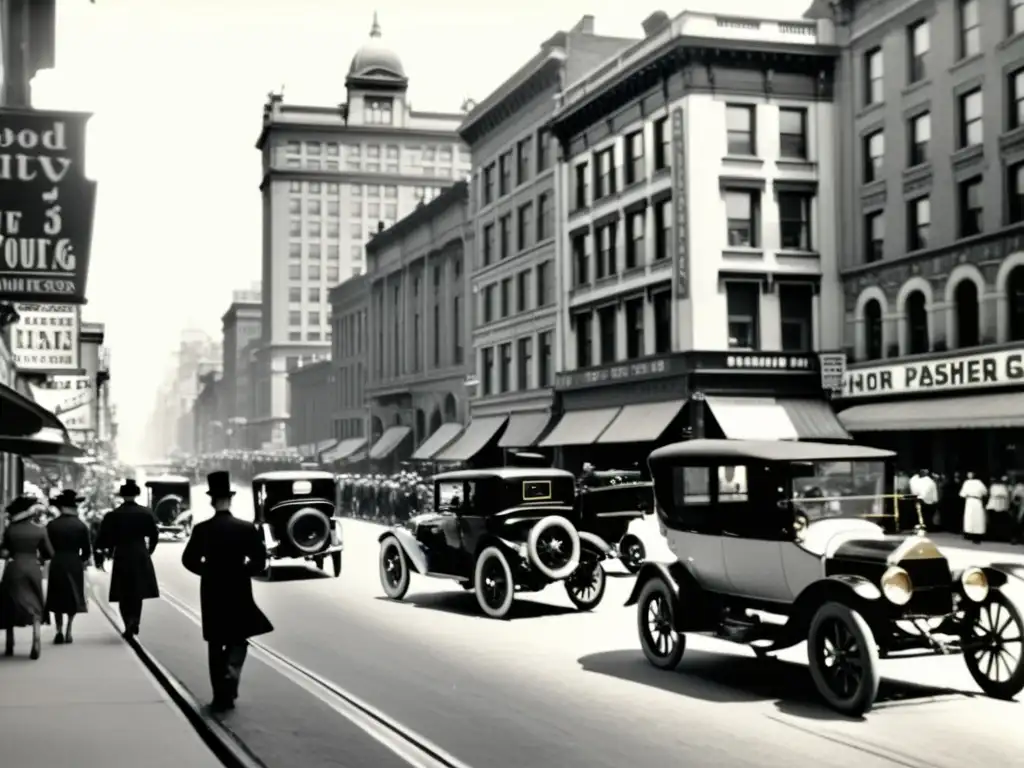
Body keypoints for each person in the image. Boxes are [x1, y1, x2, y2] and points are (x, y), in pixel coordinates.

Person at [181, 471, 273, 712]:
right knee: (237, 637)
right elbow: (260, 561)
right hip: (238, 587)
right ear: (230, 500)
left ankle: (219, 695)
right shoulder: (245, 528)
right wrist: (243, 571)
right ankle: (232, 674)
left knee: (215, 641)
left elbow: (188, 560)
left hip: (212, 589)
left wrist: (207, 571)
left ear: (212, 501)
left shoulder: (202, 529)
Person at [96, 479, 159, 638]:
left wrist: (108, 551)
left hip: (122, 553)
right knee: (137, 591)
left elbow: (103, 538)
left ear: (122, 495)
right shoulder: (146, 513)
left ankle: (127, 623)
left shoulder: (113, 515)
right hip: (139, 552)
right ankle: (135, 620)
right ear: (137, 494)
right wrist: (148, 551)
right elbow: (154, 535)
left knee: (124, 591)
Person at [0, 496, 53, 659]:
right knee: (35, 600)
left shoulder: (10, 530)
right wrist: (40, 559)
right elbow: (49, 553)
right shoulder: (40, 529)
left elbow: (3, 552)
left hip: (14, 567)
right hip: (32, 568)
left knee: (9, 601)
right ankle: (36, 637)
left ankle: (10, 642)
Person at [45, 489, 92, 644]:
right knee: (73, 596)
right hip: (74, 562)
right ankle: (69, 630)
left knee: (57, 596)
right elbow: (86, 551)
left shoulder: (51, 525)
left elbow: (45, 549)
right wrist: (81, 561)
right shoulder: (81, 526)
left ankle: (58, 630)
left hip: (57, 561)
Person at [960, 472, 988, 544]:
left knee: (970, 518)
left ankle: (970, 534)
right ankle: (976, 534)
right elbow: (985, 492)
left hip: (970, 501)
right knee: (976, 518)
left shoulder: (967, 482)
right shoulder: (979, 483)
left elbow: (962, 494)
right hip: (976, 500)